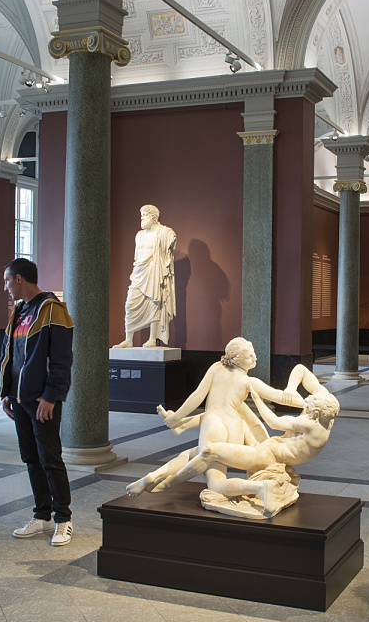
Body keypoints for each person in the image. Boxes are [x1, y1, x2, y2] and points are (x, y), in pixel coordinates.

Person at [125, 338, 306, 501]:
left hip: (213, 423)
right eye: (250, 355)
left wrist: (177, 417)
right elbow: (280, 396)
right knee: (198, 459)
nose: (255, 358)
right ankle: (164, 481)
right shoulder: (249, 382)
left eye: (254, 354)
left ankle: (160, 478)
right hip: (234, 427)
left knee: (200, 462)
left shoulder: (216, 368)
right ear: (237, 358)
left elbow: (197, 396)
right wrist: (306, 402)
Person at [0, 257, 75, 546]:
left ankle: (64, 519)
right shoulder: (19, 311)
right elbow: (11, 354)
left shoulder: (52, 310)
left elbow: (61, 361)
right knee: (31, 459)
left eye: (7, 281)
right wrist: (8, 392)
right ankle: (42, 516)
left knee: (50, 459)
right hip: (20, 400)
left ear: (20, 279)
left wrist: (51, 397)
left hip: (41, 401)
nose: (6, 287)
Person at [114, 204, 177, 348]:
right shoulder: (139, 235)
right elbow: (137, 257)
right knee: (130, 304)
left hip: (154, 271)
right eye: (141, 215)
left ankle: (152, 338)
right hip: (139, 272)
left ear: (154, 216)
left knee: (154, 302)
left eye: (145, 215)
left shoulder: (164, 232)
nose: (142, 217)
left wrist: (171, 237)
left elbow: (172, 239)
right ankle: (128, 339)